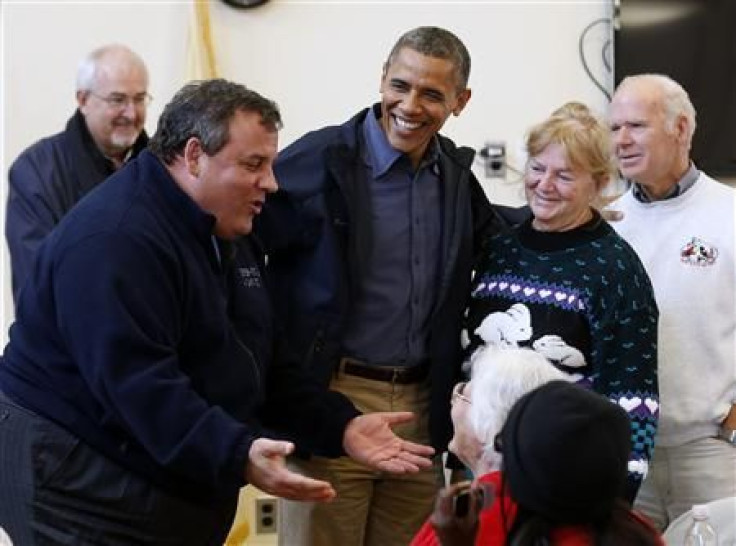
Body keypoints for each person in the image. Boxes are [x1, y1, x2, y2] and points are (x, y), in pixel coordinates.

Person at [0, 79, 435, 545]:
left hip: (151, 471)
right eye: (253, 164)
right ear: (193, 156)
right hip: (75, 471)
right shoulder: (115, 240)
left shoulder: (224, 223)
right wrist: (237, 453)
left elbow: (263, 361)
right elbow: (142, 388)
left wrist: (340, 425)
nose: (271, 181)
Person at [255, 26, 501, 546]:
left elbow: (499, 245)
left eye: (432, 94)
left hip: (421, 409)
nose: (410, 105)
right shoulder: (320, 159)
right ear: (382, 79)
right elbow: (242, 238)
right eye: (400, 85)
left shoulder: (455, 178)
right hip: (333, 403)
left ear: (461, 101)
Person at [462, 101, 659, 501]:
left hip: (562, 477)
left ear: (599, 184)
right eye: (537, 168)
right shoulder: (499, 249)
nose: (544, 184)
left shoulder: (616, 269)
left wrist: (617, 498)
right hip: (479, 468)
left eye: (565, 175)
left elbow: (635, 397)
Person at [609, 73, 736, 530]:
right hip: (626, 453)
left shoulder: (730, 214)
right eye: (614, 128)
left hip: (711, 450)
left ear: (680, 128)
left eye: (636, 126)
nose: (620, 140)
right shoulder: (608, 225)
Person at [5, 44, 150, 304]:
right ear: (83, 100)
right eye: (118, 100)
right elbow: (36, 282)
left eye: (139, 99)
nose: (131, 113)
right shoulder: (36, 171)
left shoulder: (163, 166)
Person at [411, 347, 568, 546]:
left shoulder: (482, 513)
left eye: (462, 395)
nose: (453, 401)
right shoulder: (551, 499)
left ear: (488, 428)